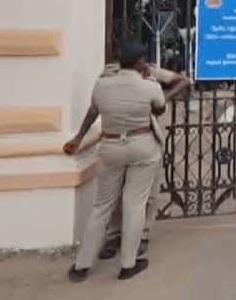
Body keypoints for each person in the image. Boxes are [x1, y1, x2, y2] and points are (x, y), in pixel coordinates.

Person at [65, 43, 173, 282]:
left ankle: (82, 266)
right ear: (139, 62)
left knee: (101, 206)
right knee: (134, 204)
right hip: (143, 145)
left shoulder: (102, 85)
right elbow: (160, 108)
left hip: (111, 147)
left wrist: (79, 137)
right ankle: (128, 264)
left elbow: (93, 112)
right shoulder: (149, 86)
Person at [97, 58, 192, 260]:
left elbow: (184, 81)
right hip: (120, 139)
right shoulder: (110, 75)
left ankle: (143, 235)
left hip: (149, 138)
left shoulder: (151, 72)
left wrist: (162, 99)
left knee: (148, 192)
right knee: (118, 191)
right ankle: (115, 234)